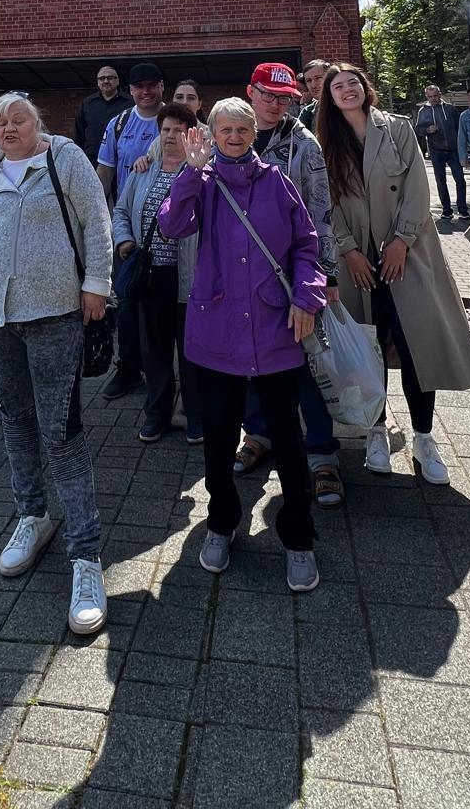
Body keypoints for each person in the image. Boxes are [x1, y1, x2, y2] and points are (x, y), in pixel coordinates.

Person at [0, 94, 112, 636]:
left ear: (37, 123)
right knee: (17, 421)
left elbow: (96, 222)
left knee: (61, 431)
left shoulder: (63, 158)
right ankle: (32, 516)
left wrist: (97, 285)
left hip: (55, 312)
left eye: (17, 118)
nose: (7, 127)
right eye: (0, 121)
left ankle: (85, 557)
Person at [158, 99, 325, 592]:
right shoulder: (202, 183)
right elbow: (172, 225)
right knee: (218, 436)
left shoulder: (278, 182)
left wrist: (307, 298)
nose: (233, 136)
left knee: (288, 441)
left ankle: (298, 537)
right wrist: (190, 172)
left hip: (276, 325)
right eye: (224, 129)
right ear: (211, 133)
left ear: (255, 133)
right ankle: (220, 521)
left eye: (242, 129)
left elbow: (306, 246)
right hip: (217, 329)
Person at [319, 65, 470, 482]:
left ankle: (424, 437)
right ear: (329, 96)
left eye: (352, 82)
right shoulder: (324, 140)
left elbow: (417, 188)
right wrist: (348, 251)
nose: (346, 90)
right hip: (358, 260)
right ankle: (375, 431)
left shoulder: (397, 127)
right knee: (368, 349)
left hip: (406, 255)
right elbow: (325, 201)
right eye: (337, 86)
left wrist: (401, 241)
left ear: (364, 87)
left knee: (416, 347)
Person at [233, 61, 345, 508]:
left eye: (284, 98)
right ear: (250, 91)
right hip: (240, 274)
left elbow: (321, 210)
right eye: (268, 95)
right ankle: (258, 433)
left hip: (289, 273)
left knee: (303, 362)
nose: (276, 105)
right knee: (248, 360)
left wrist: (326, 273)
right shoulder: (227, 132)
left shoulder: (302, 144)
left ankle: (321, 455)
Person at [113, 102, 201, 443]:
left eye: (178, 130)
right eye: (165, 129)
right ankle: (157, 414)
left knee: (192, 350)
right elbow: (121, 210)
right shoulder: (142, 169)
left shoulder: (200, 172)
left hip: (189, 275)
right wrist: (124, 243)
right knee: (155, 351)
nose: (170, 136)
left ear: (190, 134)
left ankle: (196, 415)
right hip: (149, 274)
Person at [97, 60, 164, 400]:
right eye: (139, 86)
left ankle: (167, 374)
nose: (146, 91)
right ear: (131, 90)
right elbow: (104, 173)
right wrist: (94, 219)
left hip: (170, 229)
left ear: (162, 87)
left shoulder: (176, 122)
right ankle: (129, 368)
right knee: (127, 302)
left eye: (152, 85)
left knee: (166, 306)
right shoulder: (119, 123)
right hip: (128, 229)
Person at [415, 85, 469, 219]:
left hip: (453, 150)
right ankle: (446, 210)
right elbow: (418, 130)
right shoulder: (423, 111)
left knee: (460, 180)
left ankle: (462, 210)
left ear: (440, 94)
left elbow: (460, 128)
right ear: (427, 97)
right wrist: (427, 130)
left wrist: (463, 148)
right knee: (441, 181)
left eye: (435, 96)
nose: (433, 99)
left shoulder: (450, 109)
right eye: (430, 96)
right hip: (436, 151)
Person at [73, 66, 130, 163]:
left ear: (118, 81)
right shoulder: (87, 103)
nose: (106, 81)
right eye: (102, 78)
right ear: (98, 82)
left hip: (121, 161)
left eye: (110, 78)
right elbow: (79, 135)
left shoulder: (130, 103)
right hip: (91, 162)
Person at [297, 59, 330, 133]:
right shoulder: (307, 112)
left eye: (318, 78)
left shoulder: (345, 105)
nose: (313, 85)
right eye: (309, 80)